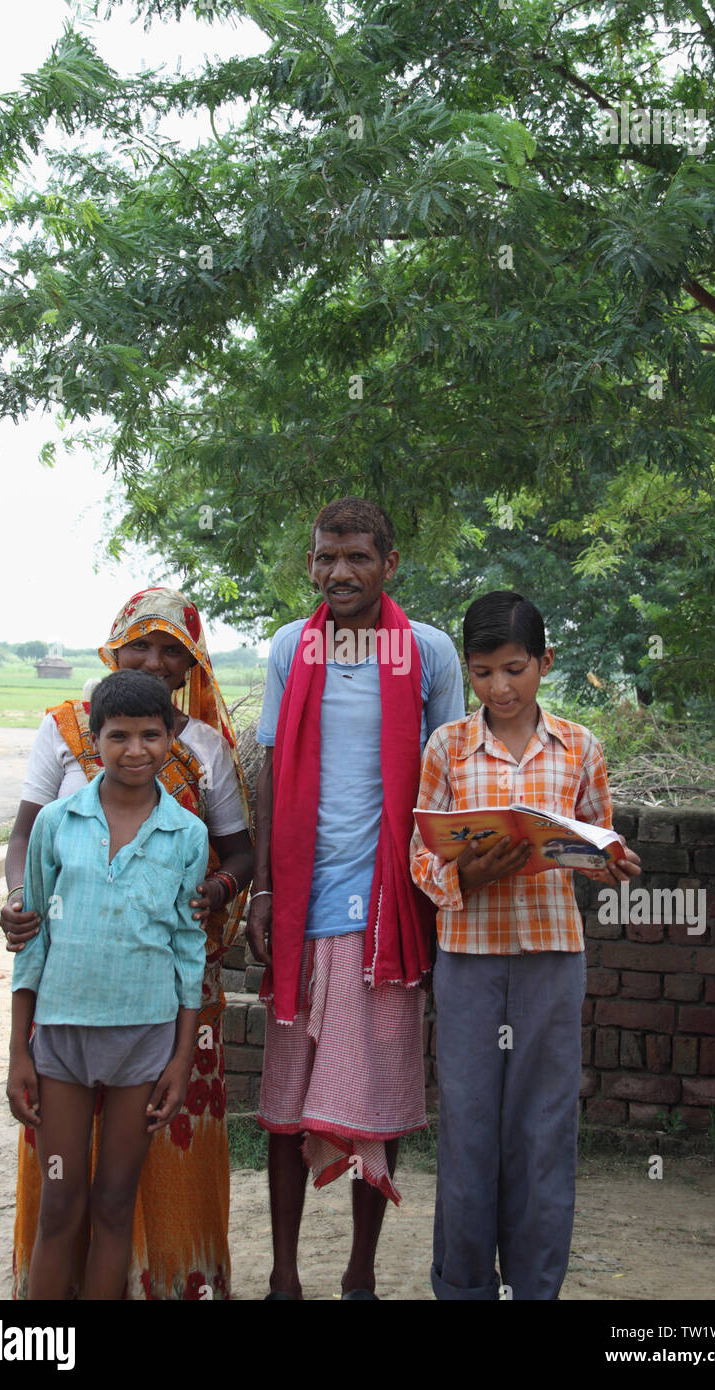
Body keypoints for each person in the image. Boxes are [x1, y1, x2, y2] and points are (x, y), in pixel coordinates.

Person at [1, 586, 253, 1300]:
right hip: (66, 999)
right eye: (140, 644)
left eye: (173, 649)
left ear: (194, 664)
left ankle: (176, 1285)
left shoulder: (204, 751)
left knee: (139, 1174)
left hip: (164, 994)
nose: (155, 659)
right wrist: (20, 901)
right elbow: (27, 839)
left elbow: (238, 854)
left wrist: (218, 893)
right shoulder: (65, 736)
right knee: (63, 1189)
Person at [246, 497, 465, 1300]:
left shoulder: (429, 653)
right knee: (287, 1098)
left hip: (389, 911)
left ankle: (362, 1275)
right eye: (325, 557)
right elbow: (272, 770)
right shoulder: (286, 648)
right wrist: (266, 885)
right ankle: (281, 1274)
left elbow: (446, 777)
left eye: (357, 558)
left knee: (376, 1091)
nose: (339, 572)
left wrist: (440, 901)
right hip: (303, 903)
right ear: (311, 563)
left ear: (389, 564)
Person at [410, 590, 642, 1301]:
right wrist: (462, 874)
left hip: (551, 957)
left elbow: (596, 838)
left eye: (514, 669)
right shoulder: (448, 746)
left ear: (545, 661)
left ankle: (538, 1287)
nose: (500, 688)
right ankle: (464, 1285)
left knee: (544, 1131)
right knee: (470, 1128)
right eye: (482, 673)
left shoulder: (581, 747)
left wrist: (611, 861)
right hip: (470, 960)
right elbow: (420, 859)